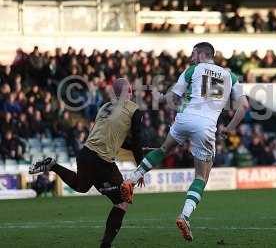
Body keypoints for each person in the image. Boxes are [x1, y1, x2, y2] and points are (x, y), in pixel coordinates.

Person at [122, 42, 248, 241]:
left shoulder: (193, 70)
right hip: (206, 126)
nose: (191, 57)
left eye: (193, 53)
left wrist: (159, 96)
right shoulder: (232, 77)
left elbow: (171, 98)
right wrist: (229, 129)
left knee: (163, 149)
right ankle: (184, 216)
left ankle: (130, 180)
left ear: (200, 54)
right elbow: (244, 107)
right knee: (201, 177)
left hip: (185, 117)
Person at [29, 78, 144, 248]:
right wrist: (141, 168)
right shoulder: (134, 110)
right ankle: (106, 245)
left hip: (85, 154)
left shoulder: (104, 108)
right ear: (129, 92)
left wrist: (134, 147)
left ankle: (53, 165)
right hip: (102, 160)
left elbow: (114, 138)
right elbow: (136, 141)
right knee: (123, 200)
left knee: (82, 186)